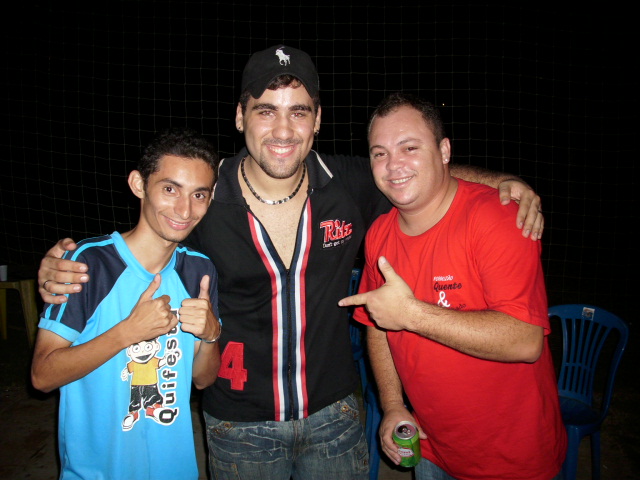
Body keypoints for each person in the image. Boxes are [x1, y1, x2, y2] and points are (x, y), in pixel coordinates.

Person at [37, 46, 545, 479]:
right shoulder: (206, 195)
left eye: (299, 112)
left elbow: (418, 173)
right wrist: (66, 265)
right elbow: (150, 234)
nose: (283, 129)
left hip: (336, 415)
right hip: (238, 423)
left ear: (317, 120)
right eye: (266, 111)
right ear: (241, 116)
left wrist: (502, 183)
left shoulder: (350, 183)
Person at [339, 92, 566, 480]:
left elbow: (525, 340)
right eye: (380, 153)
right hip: (432, 448)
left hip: (513, 457)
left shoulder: (496, 218)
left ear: (444, 151)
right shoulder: (379, 234)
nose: (393, 164)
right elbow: (378, 325)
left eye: (409, 147)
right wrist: (393, 405)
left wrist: (411, 314)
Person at [31, 127, 223, 480]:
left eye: (199, 195)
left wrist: (211, 336)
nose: (184, 209)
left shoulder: (200, 270)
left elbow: (203, 380)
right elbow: (42, 376)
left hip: (175, 469)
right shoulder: (89, 264)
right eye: (170, 189)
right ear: (138, 185)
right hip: (99, 471)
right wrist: (127, 333)